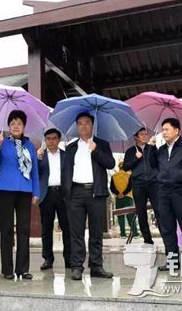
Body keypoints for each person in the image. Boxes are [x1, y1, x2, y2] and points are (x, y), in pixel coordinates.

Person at [61, 112, 116, 281]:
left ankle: (96, 266)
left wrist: (96, 150)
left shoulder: (102, 144)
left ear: (92, 125)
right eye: (80, 123)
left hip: (96, 192)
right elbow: (65, 171)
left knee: (96, 232)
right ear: (77, 126)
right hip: (75, 194)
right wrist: (66, 193)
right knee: (76, 232)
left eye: (86, 123)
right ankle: (77, 266)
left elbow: (110, 164)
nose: (83, 126)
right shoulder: (70, 148)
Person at [0, 110, 39, 280]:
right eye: (12, 123)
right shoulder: (2, 142)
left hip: (25, 190)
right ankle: (7, 269)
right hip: (5, 191)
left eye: (19, 123)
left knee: (24, 230)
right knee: (7, 230)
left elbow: (35, 171)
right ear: (8, 127)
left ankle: (23, 269)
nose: (16, 126)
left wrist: (36, 191)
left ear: (24, 126)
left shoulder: (30, 146)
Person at [155, 118, 182, 271]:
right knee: (167, 229)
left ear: (176, 130)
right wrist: (150, 147)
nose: (163, 132)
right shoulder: (160, 150)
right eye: (163, 129)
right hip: (163, 193)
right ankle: (172, 262)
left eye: (166, 129)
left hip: (181, 192)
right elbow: (153, 168)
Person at [37, 128, 71, 270]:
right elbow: (35, 174)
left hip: (63, 195)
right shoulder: (40, 156)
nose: (51, 141)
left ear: (59, 140)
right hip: (47, 194)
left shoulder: (66, 155)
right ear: (45, 141)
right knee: (46, 229)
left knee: (67, 228)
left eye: (54, 138)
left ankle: (69, 259)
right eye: (48, 138)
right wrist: (37, 159)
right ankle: (48, 259)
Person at [123, 127, 160, 244]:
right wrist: (135, 158)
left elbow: (157, 164)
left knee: (160, 210)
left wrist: (153, 148)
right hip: (138, 184)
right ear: (135, 137)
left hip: (154, 184)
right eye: (142, 134)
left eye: (146, 134)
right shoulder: (130, 151)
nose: (145, 136)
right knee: (141, 212)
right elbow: (126, 167)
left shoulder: (152, 148)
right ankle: (147, 239)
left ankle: (165, 235)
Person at [110, 161, 138, 238]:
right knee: (130, 216)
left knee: (120, 216)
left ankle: (123, 234)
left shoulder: (114, 176)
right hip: (128, 197)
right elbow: (130, 186)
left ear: (119, 167)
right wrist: (124, 193)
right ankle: (135, 234)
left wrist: (119, 194)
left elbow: (112, 187)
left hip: (118, 198)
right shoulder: (129, 175)